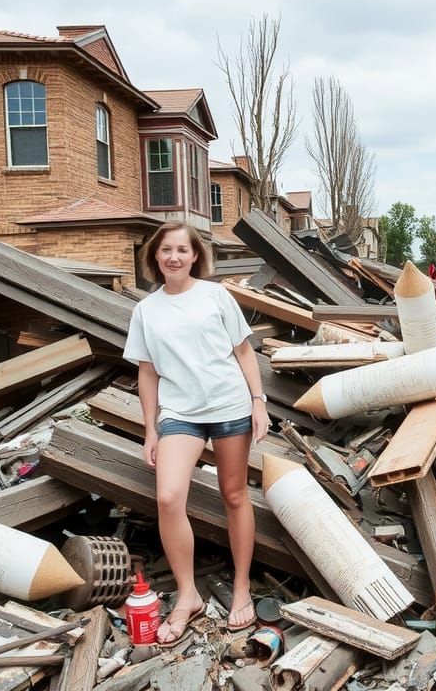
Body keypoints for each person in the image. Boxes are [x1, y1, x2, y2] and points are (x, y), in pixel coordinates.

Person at [124, 222, 270, 644]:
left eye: (181, 250)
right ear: (155, 256)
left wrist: (258, 401)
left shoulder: (215, 295)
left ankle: (241, 585)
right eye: (165, 249)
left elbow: (243, 351)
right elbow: (147, 373)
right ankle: (188, 595)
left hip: (228, 405)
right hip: (179, 413)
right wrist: (151, 430)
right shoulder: (146, 311)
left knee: (234, 494)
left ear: (194, 256)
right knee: (168, 497)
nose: (173, 257)